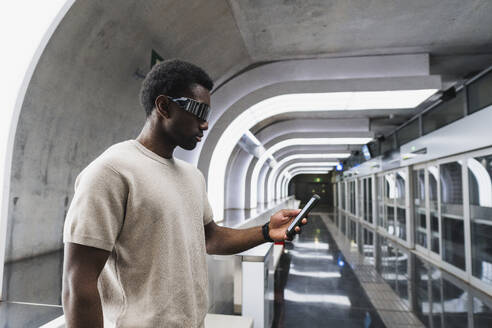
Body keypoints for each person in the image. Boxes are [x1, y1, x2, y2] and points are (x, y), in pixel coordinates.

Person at [62, 59, 307, 328]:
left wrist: (265, 232)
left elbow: (211, 238)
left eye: (208, 116)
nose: (205, 125)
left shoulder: (192, 176)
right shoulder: (111, 171)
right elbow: (78, 285)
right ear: (164, 106)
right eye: (198, 111)